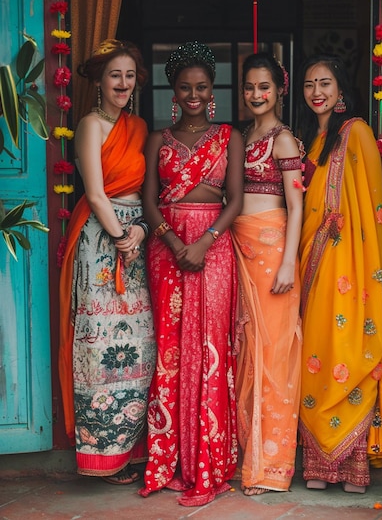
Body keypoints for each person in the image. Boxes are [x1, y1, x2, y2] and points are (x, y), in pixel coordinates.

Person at [139, 41, 244, 506]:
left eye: (202, 86)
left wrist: (202, 242)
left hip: (214, 248)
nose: (194, 94)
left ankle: (209, 463)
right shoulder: (157, 140)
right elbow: (148, 200)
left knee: (209, 347)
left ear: (212, 88)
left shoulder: (229, 136)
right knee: (171, 348)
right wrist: (174, 240)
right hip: (167, 250)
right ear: (173, 91)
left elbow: (235, 199)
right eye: (185, 87)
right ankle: (171, 461)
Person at [296, 54, 382, 493]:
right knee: (315, 355)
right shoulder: (308, 140)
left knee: (347, 348)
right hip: (313, 265)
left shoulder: (354, 131)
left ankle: (353, 464)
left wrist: (354, 257)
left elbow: (370, 206)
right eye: (308, 85)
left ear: (340, 89)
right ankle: (321, 467)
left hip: (350, 266)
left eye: (325, 83)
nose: (317, 92)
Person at [59, 39, 156, 484]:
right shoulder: (90, 126)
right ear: (99, 81)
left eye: (130, 75)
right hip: (102, 241)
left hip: (135, 237)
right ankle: (102, 451)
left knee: (138, 346)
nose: (123, 83)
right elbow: (96, 193)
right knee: (101, 346)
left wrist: (140, 230)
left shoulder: (137, 126)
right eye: (114, 75)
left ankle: (132, 447)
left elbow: (147, 191)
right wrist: (120, 237)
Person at [231, 52, 303, 496]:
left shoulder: (284, 141)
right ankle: (247, 456)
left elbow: (295, 206)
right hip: (238, 248)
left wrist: (289, 261)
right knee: (245, 353)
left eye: (264, 87)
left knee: (273, 356)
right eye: (250, 87)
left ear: (280, 89)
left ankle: (271, 465)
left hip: (273, 251)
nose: (256, 94)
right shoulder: (242, 134)